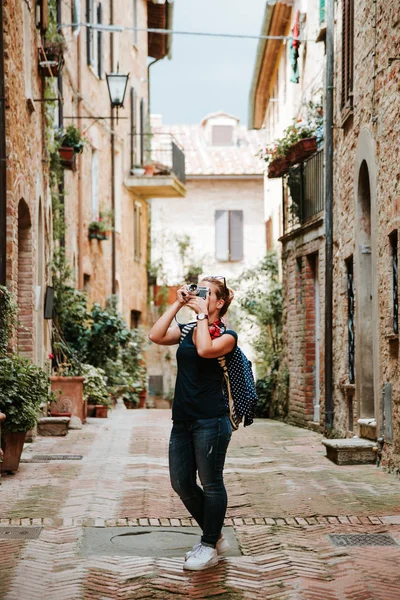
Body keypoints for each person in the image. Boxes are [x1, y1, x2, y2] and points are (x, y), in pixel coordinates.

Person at [148, 276, 237, 571]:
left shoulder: (228, 336)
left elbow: (205, 349)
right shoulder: (186, 329)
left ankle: (209, 545)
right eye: (196, 289)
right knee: (181, 482)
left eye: (205, 292)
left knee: (211, 483)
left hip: (212, 419)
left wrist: (200, 315)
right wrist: (178, 303)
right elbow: (156, 335)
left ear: (220, 302)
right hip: (183, 418)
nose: (199, 294)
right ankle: (215, 534)